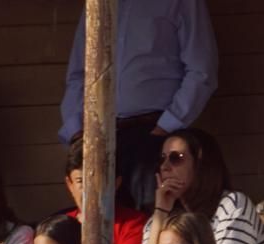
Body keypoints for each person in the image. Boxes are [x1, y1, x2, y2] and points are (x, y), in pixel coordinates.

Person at [58, 0, 218, 213]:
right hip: (101, 134)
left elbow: (201, 71)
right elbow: (78, 74)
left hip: (155, 133)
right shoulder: (97, 4)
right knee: (103, 219)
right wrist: (75, 130)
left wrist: (167, 126)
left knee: (153, 216)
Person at [144, 128, 264, 244]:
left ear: (201, 163)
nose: (165, 167)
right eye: (162, 159)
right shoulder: (159, 217)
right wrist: (160, 211)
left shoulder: (232, 205)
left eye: (176, 158)